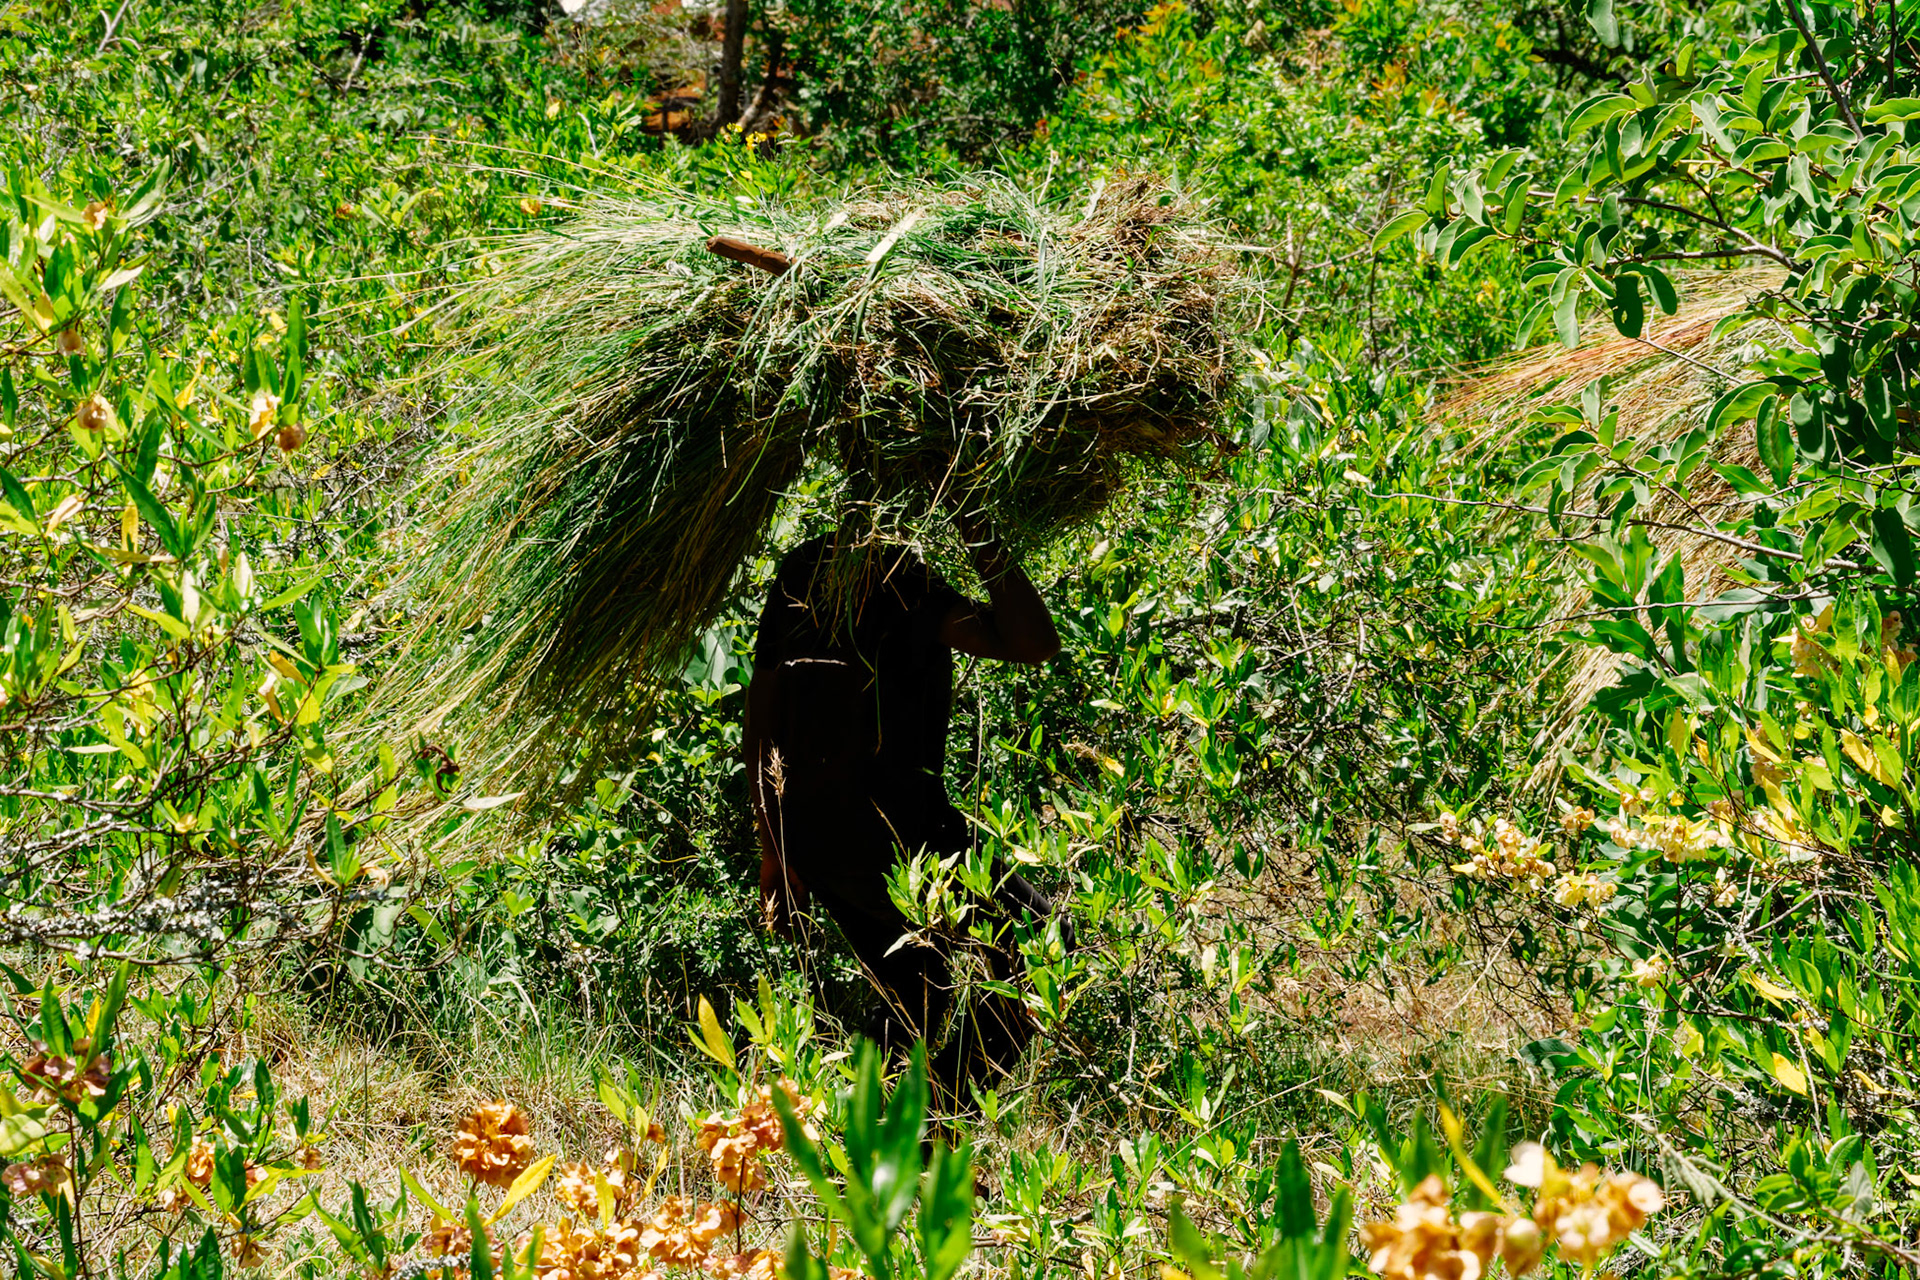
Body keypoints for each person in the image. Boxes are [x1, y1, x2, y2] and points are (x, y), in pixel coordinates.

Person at [744, 511, 1061, 1091]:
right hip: (899, 839)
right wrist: (979, 525)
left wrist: (777, 847)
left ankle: (871, 1142)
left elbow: (759, 722)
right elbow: (1034, 642)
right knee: (1042, 944)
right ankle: (937, 1120)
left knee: (913, 993)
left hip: (821, 843)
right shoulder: (901, 582)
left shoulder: (804, 570)